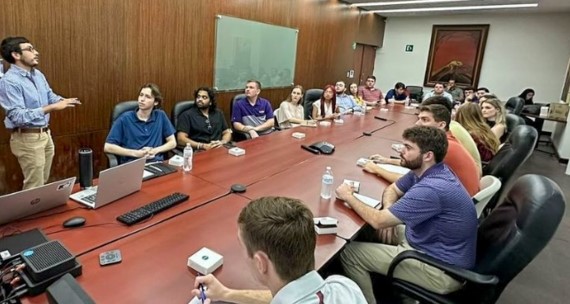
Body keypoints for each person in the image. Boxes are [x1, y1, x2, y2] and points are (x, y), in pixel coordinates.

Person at [336, 125, 477, 304]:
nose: (401, 151)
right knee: (368, 232)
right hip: (427, 244)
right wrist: (389, 210)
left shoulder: (431, 189)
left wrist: (348, 195)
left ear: (428, 156)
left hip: (441, 270)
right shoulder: (429, 171)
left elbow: (378, 221)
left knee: (350, 253)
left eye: (408, 148)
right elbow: (393, 189)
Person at [191, 196, 367, 303]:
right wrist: (226, 294)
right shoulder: (344, 287)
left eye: (241, 246)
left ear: (261, 263)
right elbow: (292, 295)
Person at [0, 37, 81, 190]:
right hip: (27, 138)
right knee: (34, 186)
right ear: (16, 55)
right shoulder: (9, 82)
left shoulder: (37, 75)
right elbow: (17, 116)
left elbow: (50, 96)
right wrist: (50, 108)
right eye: (30, 49)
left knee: (42, 183)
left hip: (45, 134)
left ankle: (39, 212)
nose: (36, 53)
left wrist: (63, 100)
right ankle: (29, 214)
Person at [362, 104, 480, 196]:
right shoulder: (447, 139)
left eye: (424, 120)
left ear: (441, 125)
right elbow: (418, 163)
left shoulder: (444, 148)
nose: (417, 124)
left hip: (451, 211)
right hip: (459, 197)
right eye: (419, 119)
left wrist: (376, 169)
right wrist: (386, 160)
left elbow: (406, 181)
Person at [104, 83, 176, 164]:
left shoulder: (160, 116)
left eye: (147, 97)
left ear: (155, 102)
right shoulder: (125, 118)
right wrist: (136, 153)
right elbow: (108, 147)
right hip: (133, 164)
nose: (142, 99)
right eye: (141, 95)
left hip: (156, 164)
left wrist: (155, 150)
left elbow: (172, 142)